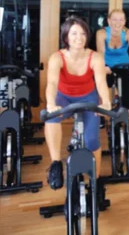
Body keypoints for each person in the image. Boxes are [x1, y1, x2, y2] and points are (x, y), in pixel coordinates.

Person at [45, 16, 112, 190]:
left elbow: (101, 83)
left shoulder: (95, 57)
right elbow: (52, 84)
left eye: (83, 33)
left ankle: (95, 182)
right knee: (51, 118)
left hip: (88, 98)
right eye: (74, 33)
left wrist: (105, 102)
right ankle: (55, 165)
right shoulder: (57, 57)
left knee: (91, 140)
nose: (79, 37)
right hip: (64, 98)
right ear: (66, 36)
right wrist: (51, 104)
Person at [96, 8, 129, 153]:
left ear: (125, 21)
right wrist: (103, 66)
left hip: (124, 66)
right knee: (102, 91)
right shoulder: (102, 33)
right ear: (109, 21)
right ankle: (102, 117)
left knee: (127, 103)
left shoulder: (128, 33)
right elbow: (100, 53)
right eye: (115, 19)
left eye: (121, 20)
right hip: (107, 67)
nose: (118, 23)